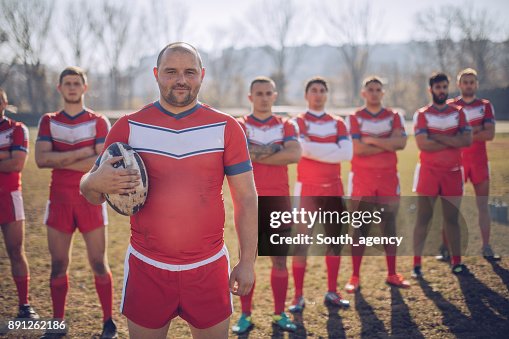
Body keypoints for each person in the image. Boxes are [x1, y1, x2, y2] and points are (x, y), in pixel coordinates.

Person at [80, 42, 257, 339]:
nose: (181, 80)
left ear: (201, 75)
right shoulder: (129, 126)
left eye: (189, 72)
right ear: (156, 74)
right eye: (171, 71)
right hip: (147, 266)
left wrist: (247, 261)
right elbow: (90, 187)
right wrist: (93, 182)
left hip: (208, 267)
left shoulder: (226, 127)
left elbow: (247, 197)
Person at [35, 67, 116, 338]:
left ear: (85, 87)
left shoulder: (99, 121)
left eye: (76, 83)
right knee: (58, 264)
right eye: (67, 83)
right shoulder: (48, 120)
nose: (72, 87)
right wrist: (84, 151)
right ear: (59, 88)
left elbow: (100, 162)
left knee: (98, 262)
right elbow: (41, 160)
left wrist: (62, 156)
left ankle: (108, 323)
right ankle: (57, 323)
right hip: (58, 200)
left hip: (91, 199)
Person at [232, 77, 301, 334]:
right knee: (245, 261)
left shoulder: (286, 124)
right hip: (248, 201)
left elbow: (294, 154)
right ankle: (245, 315)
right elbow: (239, 153)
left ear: (275, 96)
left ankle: (279, 313)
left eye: (268, 93)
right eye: (258, 93)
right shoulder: (240, 124)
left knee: (280, 262)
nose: (263, 97)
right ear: (250, 97)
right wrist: (274, 150)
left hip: (279, 201)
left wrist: (255, 152)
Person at [289, 77, 352, 313]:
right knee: (301, 244)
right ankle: (297, 296)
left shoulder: (338, 123)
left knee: (334, 243)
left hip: (334, 189)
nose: (318, 94)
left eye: (322, 90)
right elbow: (303, 149)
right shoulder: (298, 122)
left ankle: (332, 292)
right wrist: (331, 150)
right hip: (307, 190)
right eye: (314, 90)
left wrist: (316, 149)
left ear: (327, 94)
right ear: (306, 95)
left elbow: (346, 153)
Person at [345, 76, 410, 293]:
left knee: (389, 227)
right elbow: (357, 149)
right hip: (362, 180)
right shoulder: (354, 117)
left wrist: (371, 140)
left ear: (383, 93)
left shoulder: (394, 116)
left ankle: (392, 273)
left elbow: (401, 143)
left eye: (378, 89)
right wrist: (386, 144)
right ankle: (355, 276)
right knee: (360, 229)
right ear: (363, 93)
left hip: (389, 179)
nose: (374, 93)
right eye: (370, 89)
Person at [412, 72, 472, 277]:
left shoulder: (459, 113)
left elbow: (467, 140)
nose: (442, 91)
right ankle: (416, 265)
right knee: (424, 218)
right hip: (428, 172)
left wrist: (436, 138)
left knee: (452, 219)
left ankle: (456, 262)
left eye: (444, 87)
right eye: (438, 87)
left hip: (453, 173)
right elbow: (422, 144)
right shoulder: (422, 114)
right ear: (431, 90)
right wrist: (451, 138)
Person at [437, 68, 499, 261]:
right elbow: (447, 134)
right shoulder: (451, 106)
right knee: (450, 206)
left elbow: (489, 134)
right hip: (456, 162)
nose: (469, 85)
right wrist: (476, 129)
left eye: (472, 82)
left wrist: (464, 134)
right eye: (465, 82)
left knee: (483, 205)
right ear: (459, 85)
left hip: (480, 162)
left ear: (476, 84)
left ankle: (486, 246)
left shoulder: (485, 106)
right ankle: (445, 247)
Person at [0, 88, 39, 319]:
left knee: (16, 250)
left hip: (9, 196)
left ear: (5, 102)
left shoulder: (17, 129)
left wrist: (9, 157)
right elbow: (9, 158)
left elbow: (17, 164)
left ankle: (24, 306)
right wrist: (5, 155)